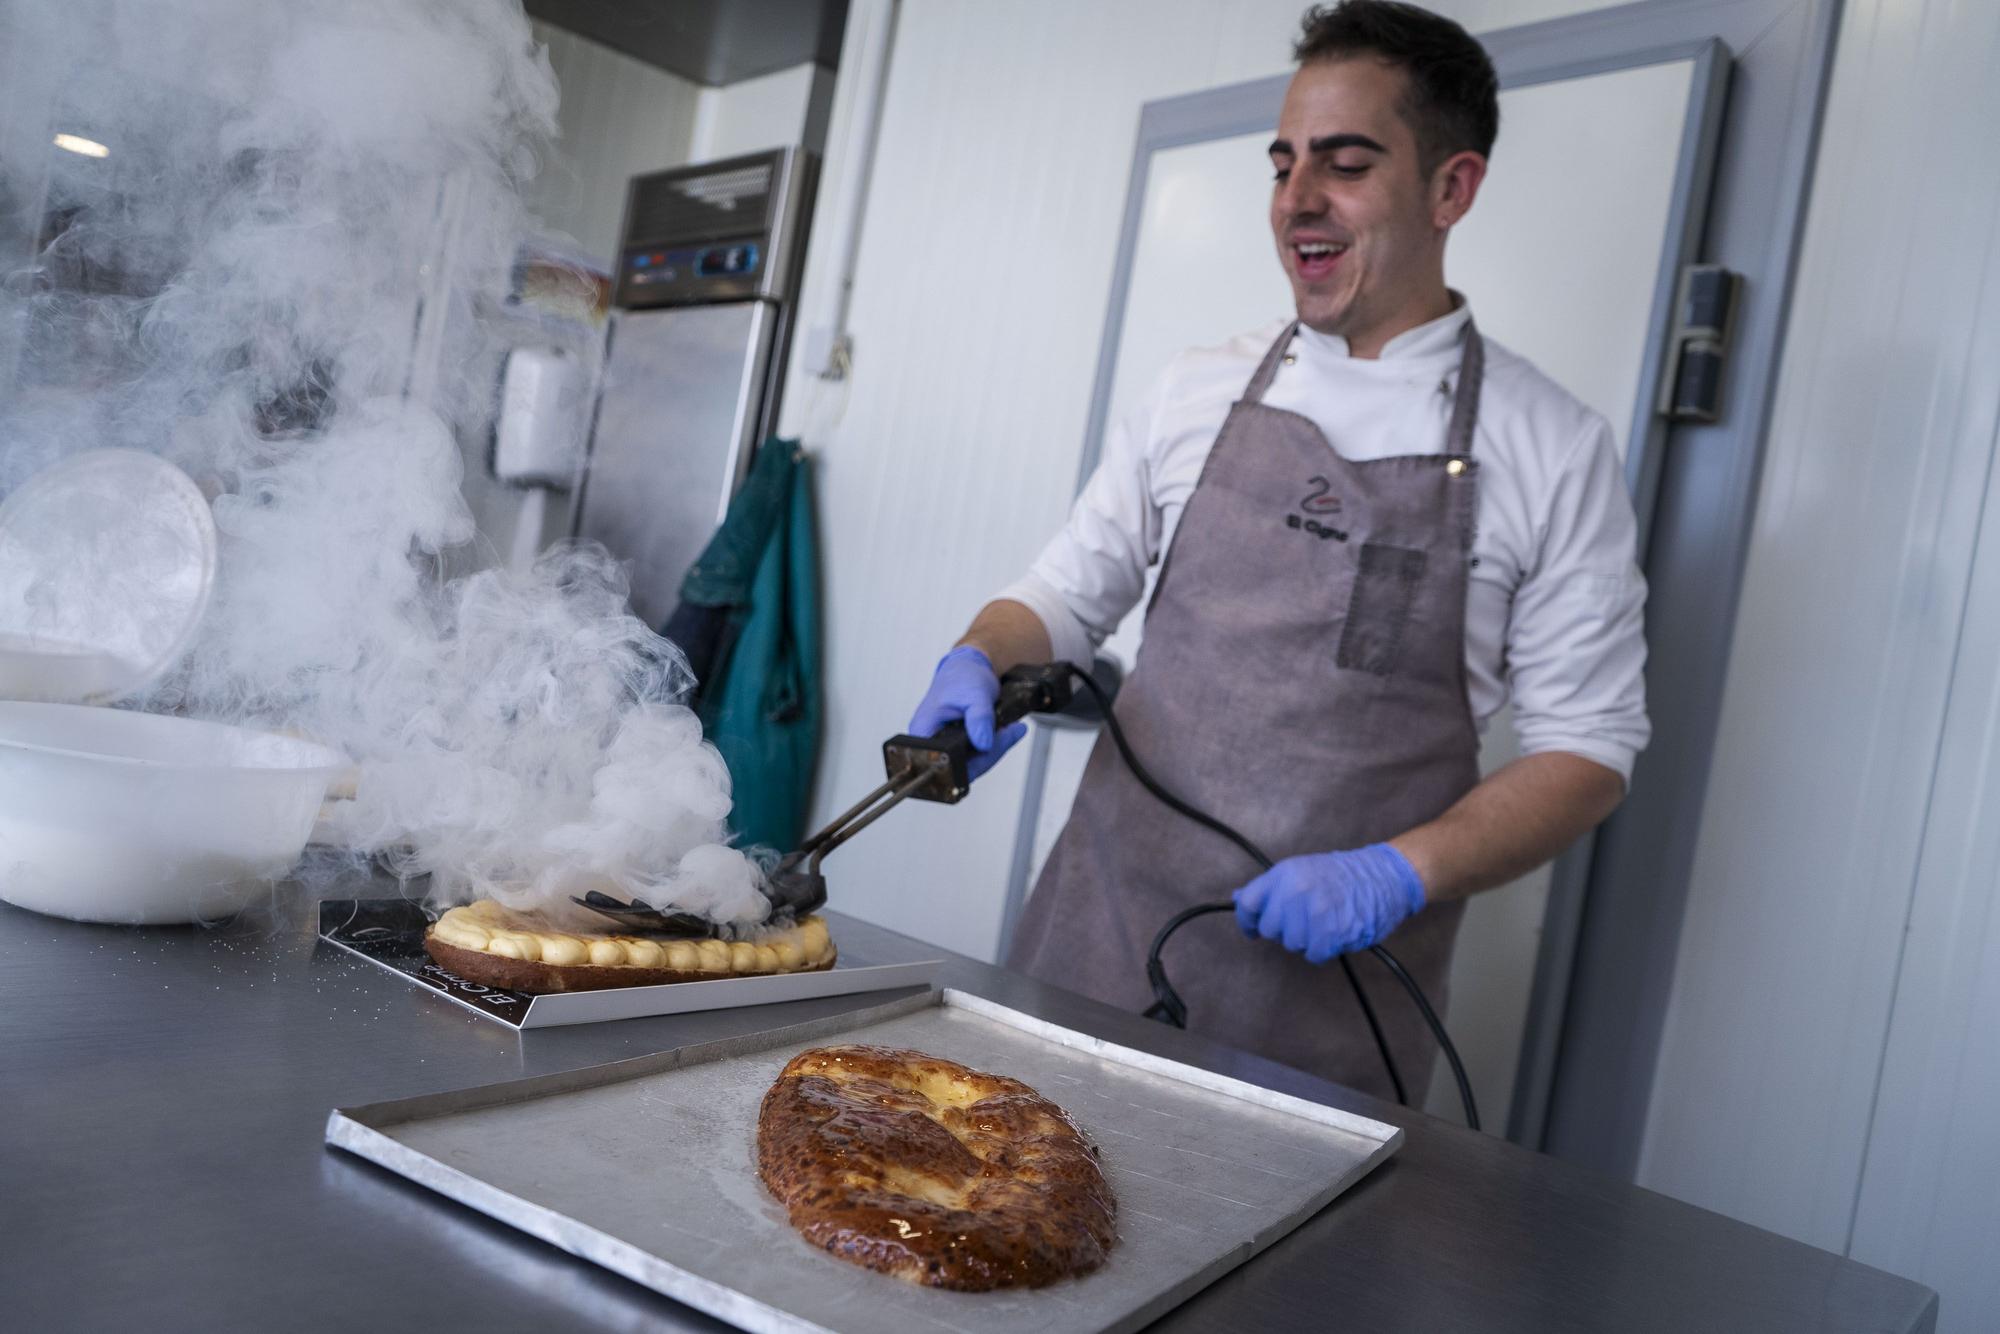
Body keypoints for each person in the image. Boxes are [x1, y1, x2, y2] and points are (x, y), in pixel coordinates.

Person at [908, 0, 1649, 1101]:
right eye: (1283, 163)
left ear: (1451, 188)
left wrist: (1399, 870)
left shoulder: (1549, 447)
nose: (1297, 199)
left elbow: (1587, 750)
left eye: (1344, 164)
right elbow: (1064, 593)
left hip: (1329, 1016)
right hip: (1094, 950)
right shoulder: (1196, 387)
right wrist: (979, 649)